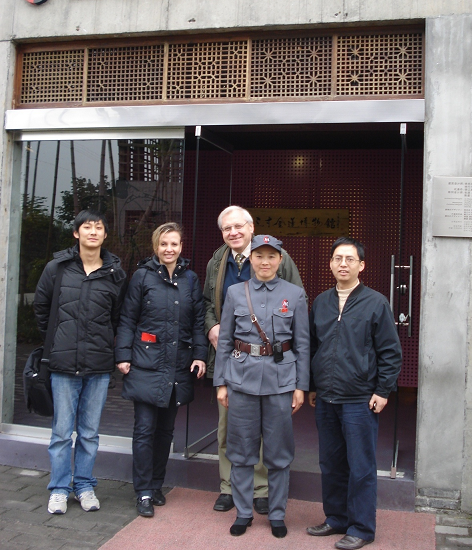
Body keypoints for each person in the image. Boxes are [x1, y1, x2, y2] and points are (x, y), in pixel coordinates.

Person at [204, 205, 305, 515]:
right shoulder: (217, 261)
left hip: (272, 364)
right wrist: (212, 326)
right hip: (234, 359)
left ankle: (261, 489)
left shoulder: (278, 257)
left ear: (251, 228)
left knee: (267, 430)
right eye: (227, 228)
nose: (233, 232)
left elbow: (296, 301)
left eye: (238, 226)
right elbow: (207, 303)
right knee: (230, 428)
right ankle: (229, 487)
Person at [307, 236, 402, 550]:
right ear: (331, 264)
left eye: (349, 259)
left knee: (361, 466)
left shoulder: (376, 302)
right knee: (331, 463)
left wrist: (383, 390)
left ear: (361, 265)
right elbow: (314, 347)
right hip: (326, 397)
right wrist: (312, 386)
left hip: (360, 398)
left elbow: (390, 352)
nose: (343, 264)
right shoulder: (321, 302)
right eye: (337, 258)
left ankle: (361, 528)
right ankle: (336, 518)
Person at [33, 209, 126, 515]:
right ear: (76, 233)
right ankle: (59, 489)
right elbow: (41, 308)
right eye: (87, 227)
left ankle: (84, 485)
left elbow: (117, 317)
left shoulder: (114, 274)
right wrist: (57, 340)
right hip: (62, 365)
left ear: (105, 235)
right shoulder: (57, 268)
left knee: (89, 433)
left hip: (98, 366)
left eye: (98, 227)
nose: (93, 232)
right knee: (61, 433)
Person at [115, 222, 207, 518]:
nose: (169, 249)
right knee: (144, 429)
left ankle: (156, 485)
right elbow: (127, 319)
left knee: (166, 431)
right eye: (164, 244)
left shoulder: (190, 278)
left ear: (181, 247)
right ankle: (142, 490)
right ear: (156, 246)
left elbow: (197, 322)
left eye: (174, 244)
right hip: (145, 362)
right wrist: (123, 354)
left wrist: (200, 355)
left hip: (178, 364)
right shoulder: (142, 277)